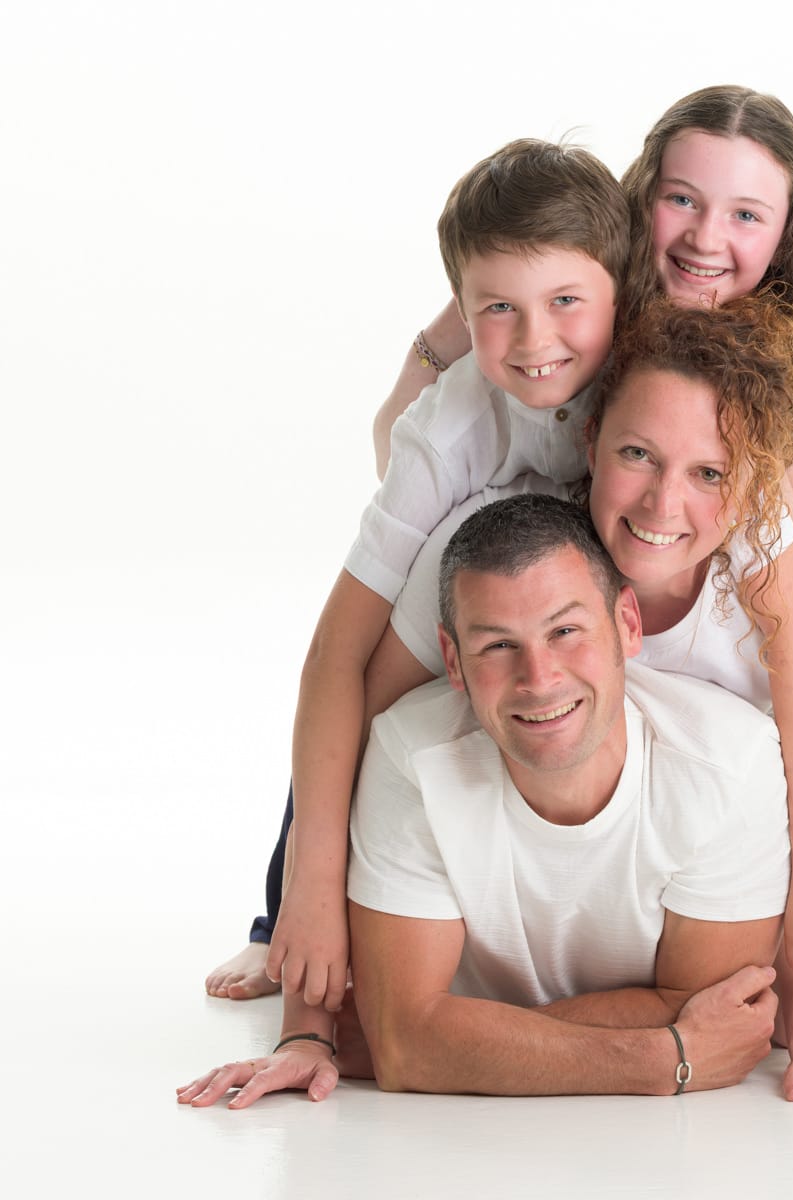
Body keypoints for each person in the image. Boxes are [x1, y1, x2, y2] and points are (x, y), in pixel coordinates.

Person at [206, 86, 793, 1004]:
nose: (707, 237)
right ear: (640, 207)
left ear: (785, 230)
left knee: (784, 657)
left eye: (747, 213)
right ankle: (290, 903)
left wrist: (699, 517)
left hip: (642, 538)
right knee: (392, 656)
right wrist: (436, 372)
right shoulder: (555, 297)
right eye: (682, 200)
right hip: (526, 523)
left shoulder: (774, 340)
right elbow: (415, 421)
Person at [179, 496, 793, 1108]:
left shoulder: (728, 760)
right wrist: (662, 1055)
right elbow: (411, 1047)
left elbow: (730, 1019)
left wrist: (437, 1037)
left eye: (566, 631)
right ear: (451, 659)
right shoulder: (412, 757)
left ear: (628, 624)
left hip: (757, 838)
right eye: (496, 645)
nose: (539, 678)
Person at [206, 137, 629, 1014]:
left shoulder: (643, 373)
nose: (537, 338)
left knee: (755, 643)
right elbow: (333, 655)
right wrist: (311, 891)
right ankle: (280, 908)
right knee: (362, 697)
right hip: (479, 556)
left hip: (597, 561)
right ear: (460, 313)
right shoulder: (447, 428)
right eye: (498, 308)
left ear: (618, 293)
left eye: (564, 301)